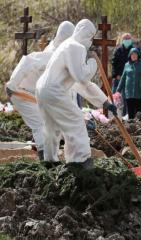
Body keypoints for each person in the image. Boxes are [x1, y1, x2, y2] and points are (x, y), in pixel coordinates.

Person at [35, 19, 117, 169]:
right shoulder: (75, 47)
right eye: (91, 37)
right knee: (76, 121)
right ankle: (79, 161)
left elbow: (80, 84)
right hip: (54, 91)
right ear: (85, 34)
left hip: (42, 90)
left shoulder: (66, 46)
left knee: (51, 127)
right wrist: (92, 63)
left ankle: (50, 161)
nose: (91, 41)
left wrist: (104, 102)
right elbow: (82, 77)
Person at [5, 21, 75, 161]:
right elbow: (27, 61)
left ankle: (48, 155)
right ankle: (44, 157)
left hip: (38, 95)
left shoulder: (64, 55)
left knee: (50, 125)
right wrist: (12, 84)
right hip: (21, 92)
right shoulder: (52, 55)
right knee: (39, 123)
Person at [117, 48, 141, 119]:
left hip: (139, 92)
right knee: (130, 113)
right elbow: (123, 78)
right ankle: (130, 127)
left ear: (138, 55)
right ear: (130, 56)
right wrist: (118, 90)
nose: (133, 56)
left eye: (135, 54)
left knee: (138, 113)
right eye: (132, 54)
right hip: (129, 93)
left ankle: (139, 126)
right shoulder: (127, 65)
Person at [112, 33, 135, 116]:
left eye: (128, 38)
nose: (127, 40)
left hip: (129, 79)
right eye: (125, 38)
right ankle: (114, 115)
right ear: (122, 40)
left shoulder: (134, 50)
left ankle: (126, 115)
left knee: (127, 98)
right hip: (118, 78)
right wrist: (116, 75)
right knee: (115, 97)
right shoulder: (118, 50)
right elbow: (113, 63)